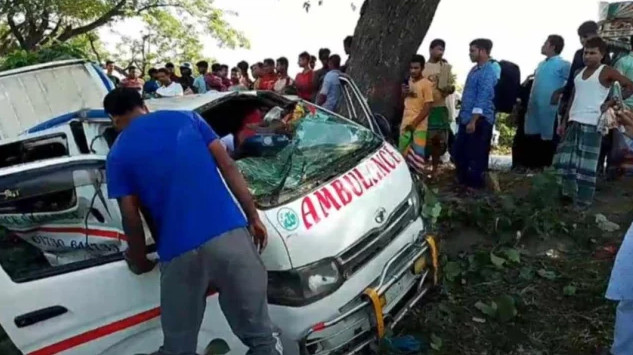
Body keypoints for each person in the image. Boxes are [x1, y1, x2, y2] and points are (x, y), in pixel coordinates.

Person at [103, 87, 282, 355]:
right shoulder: (188, 119)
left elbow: (130, 216)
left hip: (179, 252)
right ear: (144, 106)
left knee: (179, 347)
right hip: (230, 237)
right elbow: (229, 167)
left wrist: (139, 259)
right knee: (261, 337)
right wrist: (253, 216)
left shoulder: (117, 155)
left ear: (114, 119)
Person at [553, 37, 633, 207]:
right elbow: (574, 97)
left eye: (592, 53)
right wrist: (565, 121)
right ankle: (566, 197)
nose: (587, 56)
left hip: (592, 122)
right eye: (585, 52)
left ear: (602, 55)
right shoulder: (578, 73)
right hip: (574, 121)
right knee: (566, 162)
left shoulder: (606, 71)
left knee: (586, 165)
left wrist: (611, 102)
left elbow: (629, 86)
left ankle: (583, 202)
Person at [452, 39, 498, 191]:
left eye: (473, 50)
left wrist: (473, 120)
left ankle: (475, 188)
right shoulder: (474, 70)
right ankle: (464, 183)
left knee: (475, 156)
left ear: (483, 51)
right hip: (467, 117)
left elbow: (483, 97)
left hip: (479, 120)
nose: (469, 54)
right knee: (460, 152)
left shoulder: (488, 71)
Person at [524, 35, 571, 169]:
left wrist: (559, 93)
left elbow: (571, 82)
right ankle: (534, 166)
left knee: (548, 137)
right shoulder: (541, 64)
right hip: (535, 107)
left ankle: (548, 167)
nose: (542, 46)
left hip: (550, 107)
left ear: (552, 46)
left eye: (545, 43)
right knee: (534, 136)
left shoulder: (563, 64)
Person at [423, 39, 455, 177]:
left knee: (437, 141)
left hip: (439, 108)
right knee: (423, 139)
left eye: (442, 49)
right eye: (438, 49)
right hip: (425, 108)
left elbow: (451, 86)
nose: (440, 52)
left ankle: (435, 169)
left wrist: (449, 88)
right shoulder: (423, 67)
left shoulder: (445, 67)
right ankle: (422, 167)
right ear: (431, 49)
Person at [399, 54, 435, 176]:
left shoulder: (427, 84)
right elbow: (404, 101)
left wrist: (414, 123)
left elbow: (428, 106)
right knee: (403, 154)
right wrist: (403, 93)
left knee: (418, 157)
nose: (413, 71)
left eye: (416, 68)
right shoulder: (407, 82)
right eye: (411, 68)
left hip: (419, 127)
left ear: (422, 68)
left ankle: (419, 180)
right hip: (406, 123)